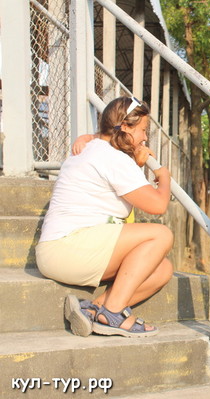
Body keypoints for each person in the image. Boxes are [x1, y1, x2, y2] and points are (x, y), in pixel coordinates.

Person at [35, 96, 174, 338]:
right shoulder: (112, 158)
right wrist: (163, 175)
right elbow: (158, 205)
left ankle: (93, 310)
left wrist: (132, 161)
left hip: (67, 249)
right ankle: (113, 313)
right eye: (142, 130)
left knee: (162, 269)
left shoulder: (96, 147)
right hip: (68, 247)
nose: (145, 138)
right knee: (161, 235)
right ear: (125, 127)